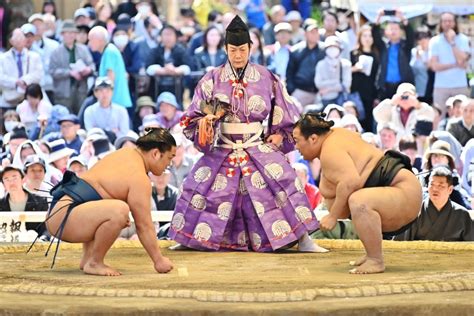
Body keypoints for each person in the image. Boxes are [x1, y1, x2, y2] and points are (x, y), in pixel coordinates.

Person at [169, 15, 323, 253]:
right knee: (198, 182)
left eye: (242, 49)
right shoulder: (211, 79)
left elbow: (285, 110)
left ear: (251, 48)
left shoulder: (266, 77)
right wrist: (206, 124)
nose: (238, 55)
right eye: (233, 50)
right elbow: (192, 117)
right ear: (225, 49)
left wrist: (280, 135)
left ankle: (303, 239)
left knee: (284, 178)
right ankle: (189, 238)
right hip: (223, 145)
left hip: (255, 144)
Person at [293, 112, 423, 273]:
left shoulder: (330, 150)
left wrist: (332, 216)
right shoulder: (336, 135)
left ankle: (376, 260)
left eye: (297, 141)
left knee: (359, 201)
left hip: (403, 191)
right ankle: (371, 255)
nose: (296, 147)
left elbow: (351, 182)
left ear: (313, 138)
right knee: (358, 199)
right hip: (397, 189)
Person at [42, 127, 176, 276]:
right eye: (169, 158)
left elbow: (94, 197)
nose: (169, 164)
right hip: (65, 218)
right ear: (156, 153)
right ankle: (95, 262)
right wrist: (159, 260)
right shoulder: (140, 178)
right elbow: (144, 225)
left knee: (114, 210)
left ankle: (88, 258)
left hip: (60, 212)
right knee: (119, 211)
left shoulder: (125, 153)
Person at [395, 166, 473, 241]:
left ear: (450, 189)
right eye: (432, 184)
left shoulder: (462, 215)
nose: (435, 189)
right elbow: (400, 245)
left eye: (440, 185)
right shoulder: (414, 211)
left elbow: (471, 247)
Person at [429, 12, 471, 117]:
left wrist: (452, 42)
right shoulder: (435, 41)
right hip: (441, 86)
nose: (447, 24)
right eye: (445, 21)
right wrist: (454, 65)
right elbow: (434, 66)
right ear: (441, 23)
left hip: (460, 85)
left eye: (450, 21)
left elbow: (462, 61)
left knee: (462, 116)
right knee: (439, 116)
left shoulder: (463, 39)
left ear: (455, 23)